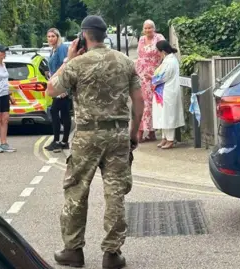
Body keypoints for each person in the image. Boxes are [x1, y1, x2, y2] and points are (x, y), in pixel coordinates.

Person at [46, 15, 144, 269]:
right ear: (104, 36)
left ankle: (73, 250)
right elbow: (139, 100)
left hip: (87, 136)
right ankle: (112, 254)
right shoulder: (125, 62)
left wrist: (69, 58)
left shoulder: (77, 64)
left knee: (76, 191)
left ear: (84, 36)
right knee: (115, 193)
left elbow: (51, 90)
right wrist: (134, 133)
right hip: (118, 135)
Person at [135, 19, 166, 143]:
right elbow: (139, 56)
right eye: (146, 28)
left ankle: (148, 131)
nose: (148, 30)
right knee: (143, 102)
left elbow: (164, 53)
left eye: (150, 28)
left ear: (154, 28)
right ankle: (144, 132)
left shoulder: (159, 38)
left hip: (154, 74)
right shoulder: (141, 39)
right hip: (142, 75)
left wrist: (160, 71)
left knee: (152, 103)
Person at [151, 40, 185, 149]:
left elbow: (163, 76)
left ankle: (170, 139)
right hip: (163, 91)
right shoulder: (167, 60)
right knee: (163, 115)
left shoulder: (170, 61)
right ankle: (164, 138)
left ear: (163, 51)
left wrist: (152, 79)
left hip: (168, 91)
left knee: (168, 115)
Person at [44, 28, 72, 153]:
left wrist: (63, 85)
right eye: (49, 37)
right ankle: (63, 141)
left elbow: (65, 65)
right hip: (55, 84)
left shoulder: (61, 49)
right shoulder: (53, 50)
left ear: (58, 37)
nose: (51, 39)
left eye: (53, 36)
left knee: (55, 111)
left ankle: (59, 141)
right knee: (63, 112)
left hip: (61, 85)